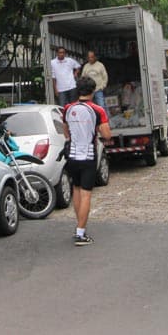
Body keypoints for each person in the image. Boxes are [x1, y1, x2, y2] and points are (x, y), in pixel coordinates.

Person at [62, 76, 112, 246]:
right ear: (93, 91)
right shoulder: (97, 109)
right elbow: (107, 135)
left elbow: (65, 130)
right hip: (88, 155)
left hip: (72, 155)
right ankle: (81, 233)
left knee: (76, 189)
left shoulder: (68, 108)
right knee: (86, 194)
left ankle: (79, 227)